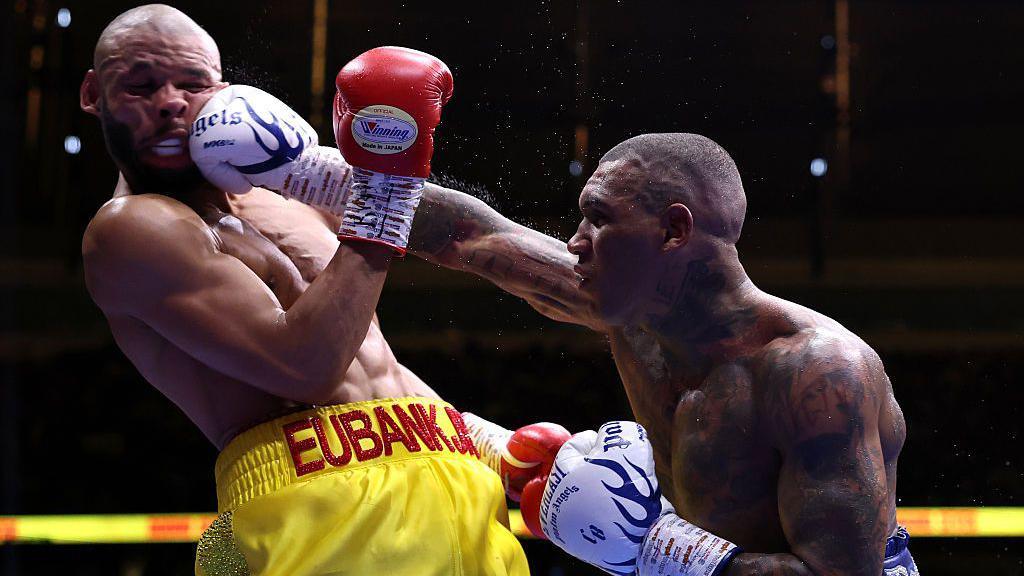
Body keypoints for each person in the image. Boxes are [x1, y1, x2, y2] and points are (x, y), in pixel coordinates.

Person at [78, 5, 544, 575]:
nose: (172, 101)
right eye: (142, 86)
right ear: (93, 94)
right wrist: (386, 189)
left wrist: (496, 445)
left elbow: (378, 362)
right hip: (323, 501)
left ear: (223, 91)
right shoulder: (131, 229)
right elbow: (307, 367)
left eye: (193, 84)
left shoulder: (287, 195)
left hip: (451, 479)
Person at [408, 133, 919, 575]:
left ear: (674, 231)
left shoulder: (816, 374)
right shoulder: (632, 311)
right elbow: (471, 236)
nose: (574, 242)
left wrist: (655, 545)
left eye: (598, 219)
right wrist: (333, 177)